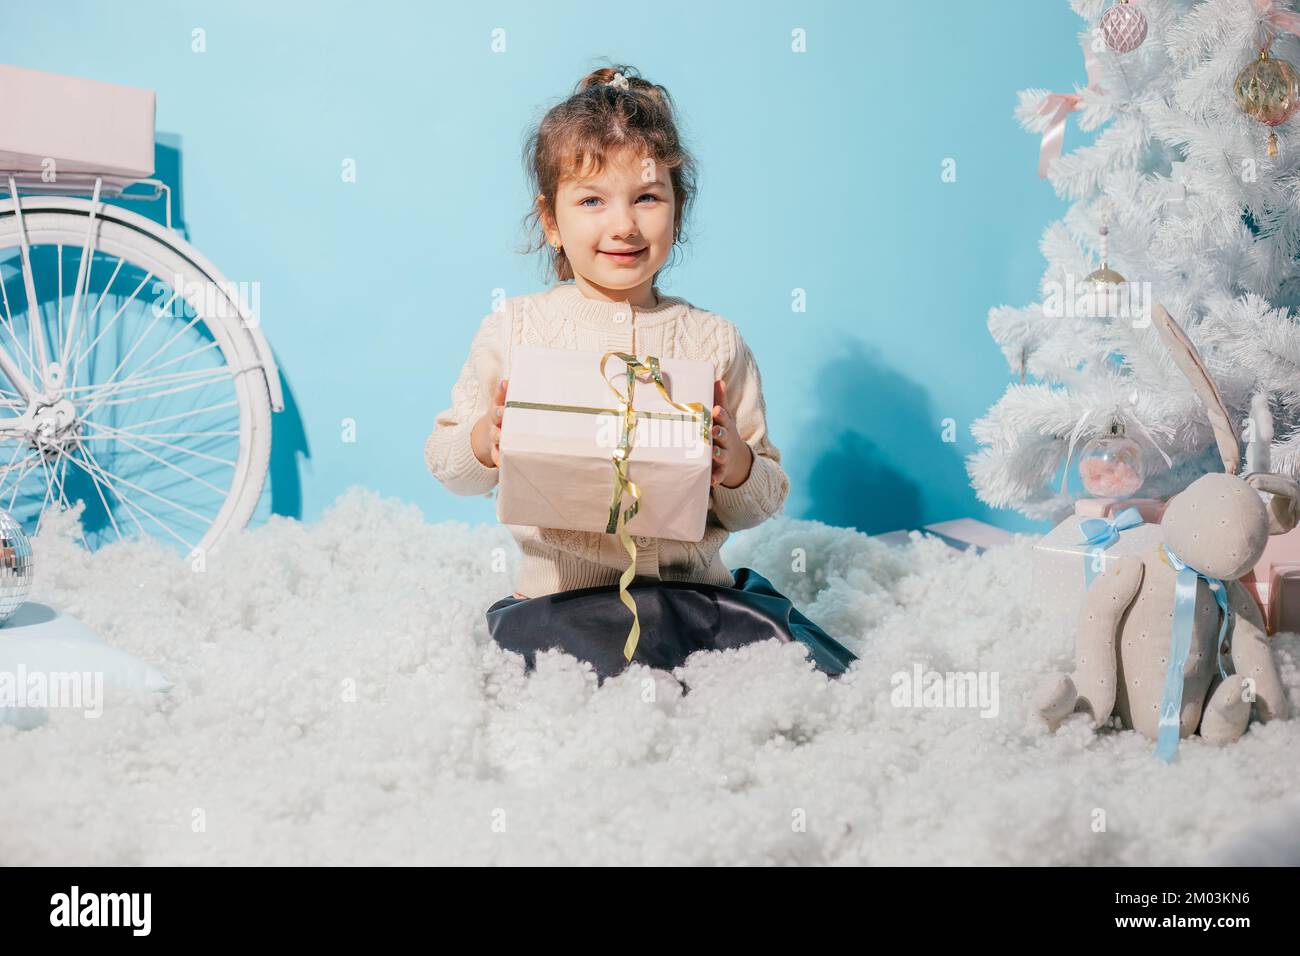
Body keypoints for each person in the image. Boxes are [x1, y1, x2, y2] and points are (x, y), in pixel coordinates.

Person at [426, 64, 855, 680]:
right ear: (550, 221)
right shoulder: (516, 331)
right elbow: (447, 464)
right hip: (561, 603)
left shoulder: (714, 341)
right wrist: (484, 443)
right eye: (592, 200)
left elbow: (763, 498)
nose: (623, 224)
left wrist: (735, 465)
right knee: (583, 686)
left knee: (792, 671)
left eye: (647, 197)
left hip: (693, 599)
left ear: (677, 212)